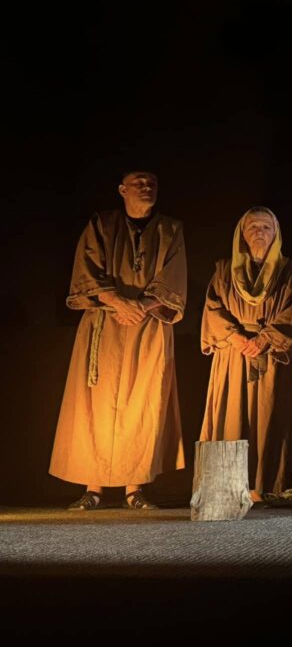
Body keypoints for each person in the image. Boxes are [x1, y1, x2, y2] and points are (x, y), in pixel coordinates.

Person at [51, 170, 186, 510]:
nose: (146, 187)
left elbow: (173, 278)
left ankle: (134, 488)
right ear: (122, 190)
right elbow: (86, 269)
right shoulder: (102, 224)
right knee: (95, 403)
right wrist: (118, 302)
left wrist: (141, 305)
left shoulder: (170, 230)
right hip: (105, 322)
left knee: (142, 402)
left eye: (152, 183)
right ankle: (93, 487)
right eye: (139, 182)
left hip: (148, 325)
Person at [200, 207, 292, 503]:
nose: (260, 232)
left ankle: (259, 487)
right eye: (253, 227)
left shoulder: (290, 272)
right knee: (231, 417)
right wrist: (236, 337)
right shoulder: (224, 270)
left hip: (269, 356)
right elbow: (212, 309)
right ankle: (228, 487)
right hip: (233, 355)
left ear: (276, 234)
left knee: (266, 418)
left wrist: (264, 339)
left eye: (266, 227)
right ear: (242, 235)